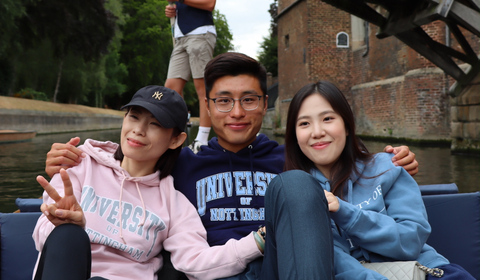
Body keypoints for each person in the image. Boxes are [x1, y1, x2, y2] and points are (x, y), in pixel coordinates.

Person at [44, 53, 419, 279]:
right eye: (223, 101)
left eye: (249, 100)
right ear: (208, 107)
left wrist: (391, 161)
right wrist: (76, 161)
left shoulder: (293, 156)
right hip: (212, 273)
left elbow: (342, 159)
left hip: (278, 269)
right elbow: (135, 164)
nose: (237, 112)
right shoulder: (182, 163)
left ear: (265, 104)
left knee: (297, 186)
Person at [33, 85, 264, 280]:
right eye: (134, 117)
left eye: (154, 124)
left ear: (176, 140)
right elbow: (42, 238)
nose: (138, 130)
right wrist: (64, 223)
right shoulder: (81, 164)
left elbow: (197, 262)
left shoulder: (174, 204)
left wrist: (258, 241)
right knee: (68, 235)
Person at [281, 80, 475, 280]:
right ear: (294, 135)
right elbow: (334, 261)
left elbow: (410, 242)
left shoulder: (389, 167)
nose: (317, 132)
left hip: (425, 272)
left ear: (347, 126)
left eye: (328, 118)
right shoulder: (298, 194)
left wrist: (344, 212)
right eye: (304, 123)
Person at [164, 0, 218, 153]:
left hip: (199, 34)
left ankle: (201, 140)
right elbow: (185, 2)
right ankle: (174, 136)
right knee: (171, 90)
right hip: (181, 38)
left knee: (201, 88)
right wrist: (174, 10)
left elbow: (210, 2)